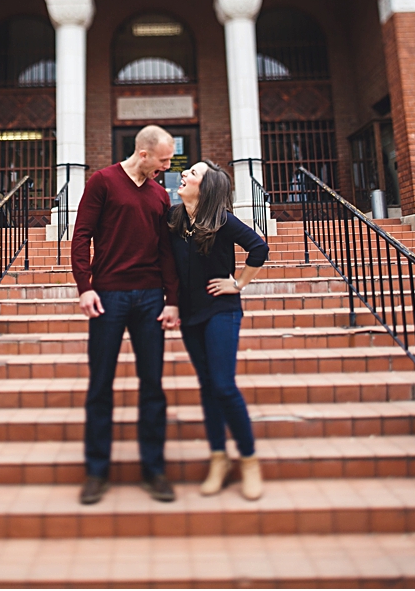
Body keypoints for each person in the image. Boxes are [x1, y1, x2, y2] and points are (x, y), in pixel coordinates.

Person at [71, 125, 181, 505]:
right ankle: (96, 472)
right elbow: (82, 235)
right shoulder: (102, 181)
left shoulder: (159, 194)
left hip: (151, 297)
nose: (168, 167)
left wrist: (172, 299)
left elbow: (166, 250)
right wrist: (85, 288)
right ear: (145, 153)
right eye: (165, 159)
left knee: (152, 385)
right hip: (108, 295)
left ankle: (154, 470)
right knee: (100, 383)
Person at [167, 160, 269, 500]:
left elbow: (259, 247)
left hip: (221, 311)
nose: (183, 175)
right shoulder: (175, 219)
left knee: (223, 385)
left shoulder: (222, 221)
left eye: (192, 173)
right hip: (190, 314)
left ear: (206, 187)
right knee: (208, 386)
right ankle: (218, 459)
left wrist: (238, 284)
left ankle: (249, 461)